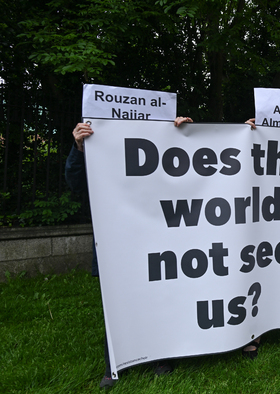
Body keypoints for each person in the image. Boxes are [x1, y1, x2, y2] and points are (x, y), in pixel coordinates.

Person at [66, 117, 192, 387]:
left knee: (158, 298)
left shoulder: (165, 154)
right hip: (117, 245)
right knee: (117, 304)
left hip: (159, 242)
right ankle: (115, 362)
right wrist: (79, 148)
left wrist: (183, 136)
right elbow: (77, 185)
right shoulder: (103, 157)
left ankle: (161, 356)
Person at [242, 118, 280, 359]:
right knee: (258, 268)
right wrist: (245, 132)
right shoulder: (253, 135)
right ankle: (255, 332)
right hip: (256, 211)